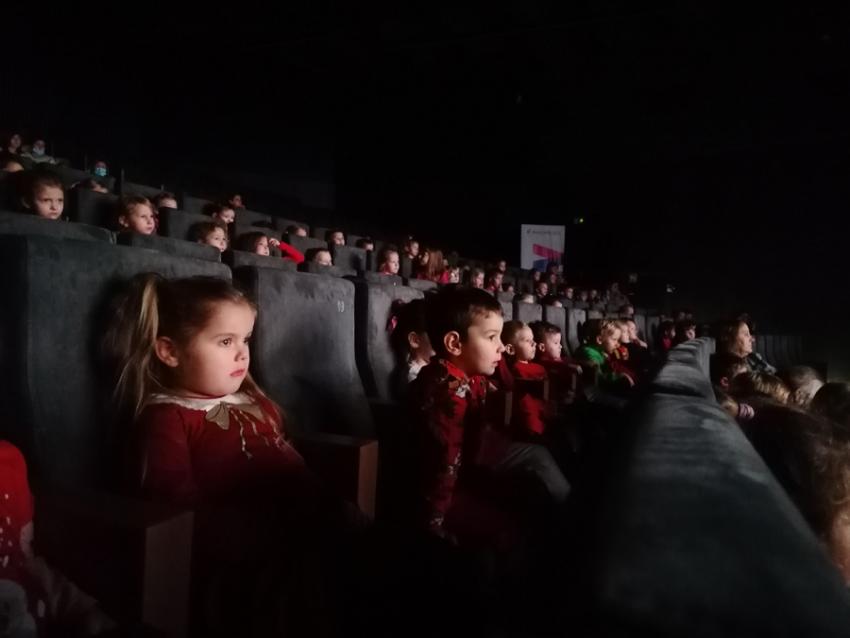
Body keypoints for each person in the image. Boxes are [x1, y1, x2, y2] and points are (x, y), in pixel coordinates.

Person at [408, 287, 569, 543]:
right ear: (454, 344)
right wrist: (435, 524)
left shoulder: (470, 377)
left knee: (539, 462)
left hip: (477, 461)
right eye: (492, 337)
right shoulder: (448, 394)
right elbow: (445, 463)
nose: (502, 347)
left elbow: (505, 387)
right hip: (449, 492)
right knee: (518, 522)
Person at [576, 319, 635, 389]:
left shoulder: (602, 352)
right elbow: (598, 378)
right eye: (614, 339)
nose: (617, 344)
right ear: (599, 339)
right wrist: (620, 377)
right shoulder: (588, 353)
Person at [234, 231, 305, 264]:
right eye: (261, 244)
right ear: (250, 246)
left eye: (267, 245)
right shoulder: (246, 262)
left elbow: (300, 258)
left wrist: (280, 245)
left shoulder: (275, 261)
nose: (266, 248)